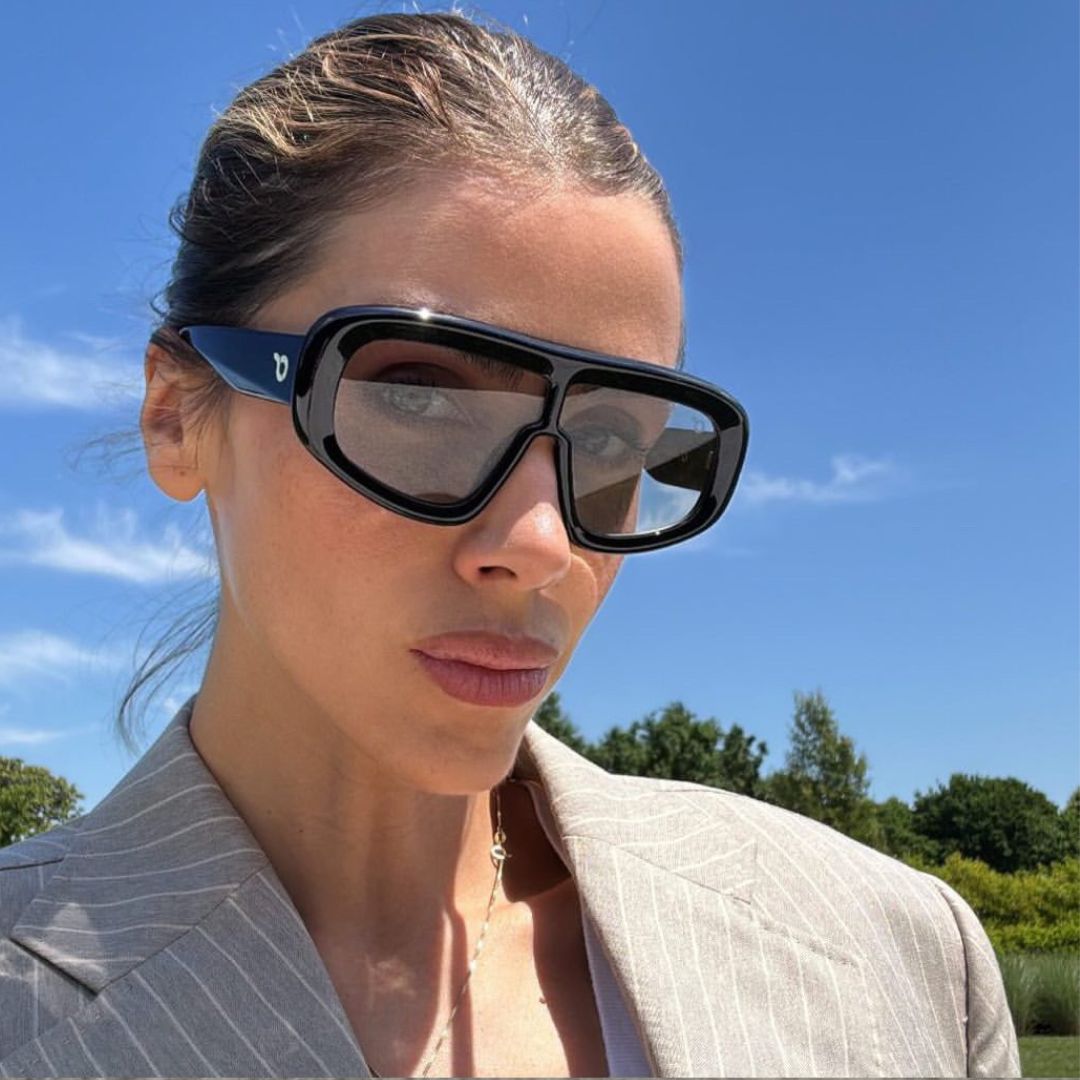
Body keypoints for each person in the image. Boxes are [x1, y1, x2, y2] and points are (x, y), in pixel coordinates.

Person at [0, 10, 1019, 1079]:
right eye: (417, 395)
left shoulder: (905, 957)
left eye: (612, 440)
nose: (541, 543)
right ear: (176, 416)